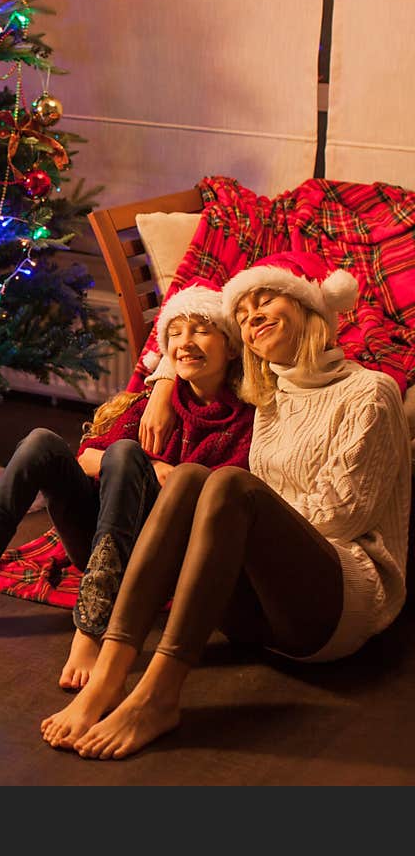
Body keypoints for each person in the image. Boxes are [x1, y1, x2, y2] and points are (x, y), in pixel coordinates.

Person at [41, 252, 411, 758]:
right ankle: (108, 676)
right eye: (243, 313)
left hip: (335, 609)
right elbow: (191, 337)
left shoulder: (369, 391)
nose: (251, 316)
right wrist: (164, 384)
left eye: (266, 299)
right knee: (193, 477)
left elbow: (343, 518)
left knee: (231, 484)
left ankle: (158, 695)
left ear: (310, 308)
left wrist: (254, 514)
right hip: (255, 616)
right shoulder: (268, 394)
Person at [0, 280, 255, 690]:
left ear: (230, 345)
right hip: (101, 544)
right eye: (175, 332)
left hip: (162, 561)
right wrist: (151, 465)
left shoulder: (245, 420)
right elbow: (86, 459)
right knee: (43, 443)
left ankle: (91, 629)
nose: (186, 342)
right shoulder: (154, 404)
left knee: (124, 454)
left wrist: (162, 473)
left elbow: (227, 503)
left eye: (201, 330)